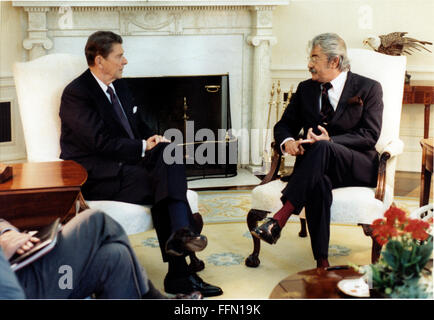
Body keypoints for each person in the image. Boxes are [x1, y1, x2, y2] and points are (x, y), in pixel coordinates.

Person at [59, 31, 222, 297]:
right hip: (98, 174)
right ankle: (179, 269)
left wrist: (153, 139)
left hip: (130, 163)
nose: (125, 61)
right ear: (100, 60)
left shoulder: (121, 86)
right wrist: (143, 146)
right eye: (119, 56)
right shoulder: (77, 94)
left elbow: (137, 125)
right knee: (166, 189)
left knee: (168, 151)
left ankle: (179, 238)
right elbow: (100, 143)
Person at [252, 33, 383, 268]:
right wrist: (289, 141)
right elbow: (283, 125)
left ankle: (280, 218)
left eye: (314, 57)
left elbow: (369, 135)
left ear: (334, 61)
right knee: (318, 183)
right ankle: (322, 262)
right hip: (316, 168)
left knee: (323, 146)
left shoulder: (369, 88)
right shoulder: (306, 90)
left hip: (356, 164)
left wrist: (331, 139)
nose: (309, 64)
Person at [0, 209, 202, 299]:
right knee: (95, 220)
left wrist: (6, 234)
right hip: (20, 287)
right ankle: (152, 296)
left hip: (17, 267)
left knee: (116, 256)